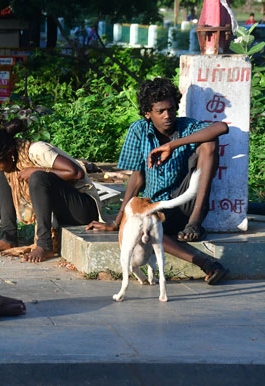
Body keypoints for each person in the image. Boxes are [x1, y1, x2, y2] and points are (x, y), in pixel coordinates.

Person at [86, 77, 229, 284]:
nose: (168, 116)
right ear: (148, 113)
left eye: (171, 109)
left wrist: (174, 145)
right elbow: (136, 179)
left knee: (209, 144)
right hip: (156, 207)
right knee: (148, 228)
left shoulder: (186, 127)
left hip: (187, 203)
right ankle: (207, 263)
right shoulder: (139, 131)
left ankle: (195, 223)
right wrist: (118, 221)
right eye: (160, 111)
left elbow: (221, 127)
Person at [0, 118, 103, 263]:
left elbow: (75, 172)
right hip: (61, 212)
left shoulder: (36, 150)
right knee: (4, 175)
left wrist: (36, 170)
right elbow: (7, 203)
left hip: (84, 209)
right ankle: (8, 238)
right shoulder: (11, 166)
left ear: (9, 152)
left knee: (37, 177)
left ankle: (44, 244)